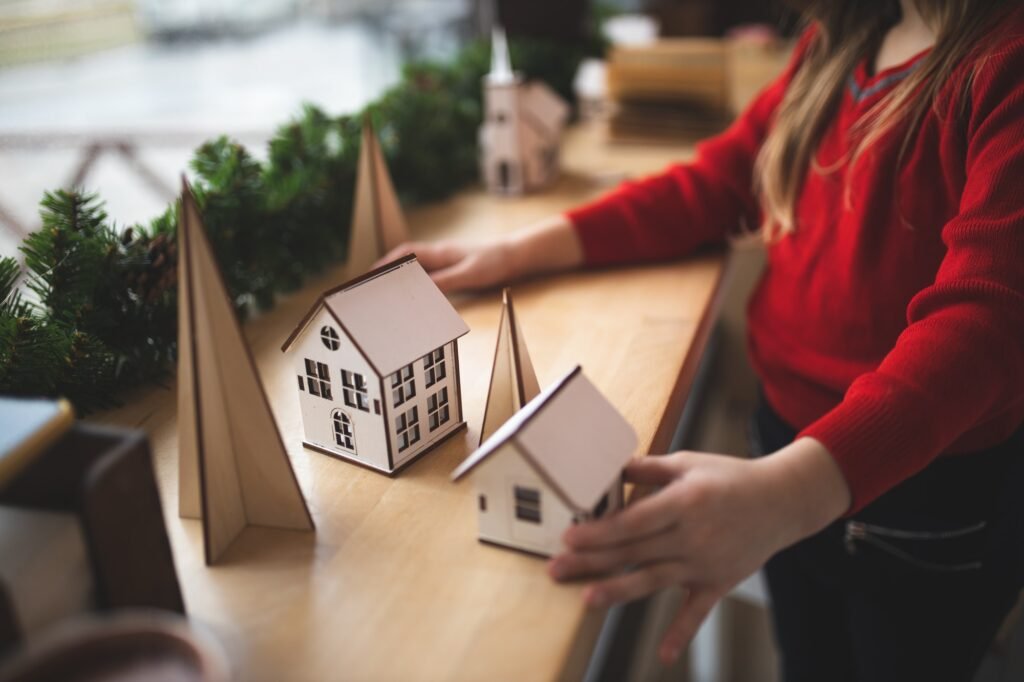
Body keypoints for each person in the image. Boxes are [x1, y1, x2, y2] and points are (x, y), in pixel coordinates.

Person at [382, 1, 1024, 679]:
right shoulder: (841, 38)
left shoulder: (1003, 63)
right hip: (783, 447)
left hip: (923, 497)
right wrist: (523, 250)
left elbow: (988, 325)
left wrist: (792, 491)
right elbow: (717, 183)